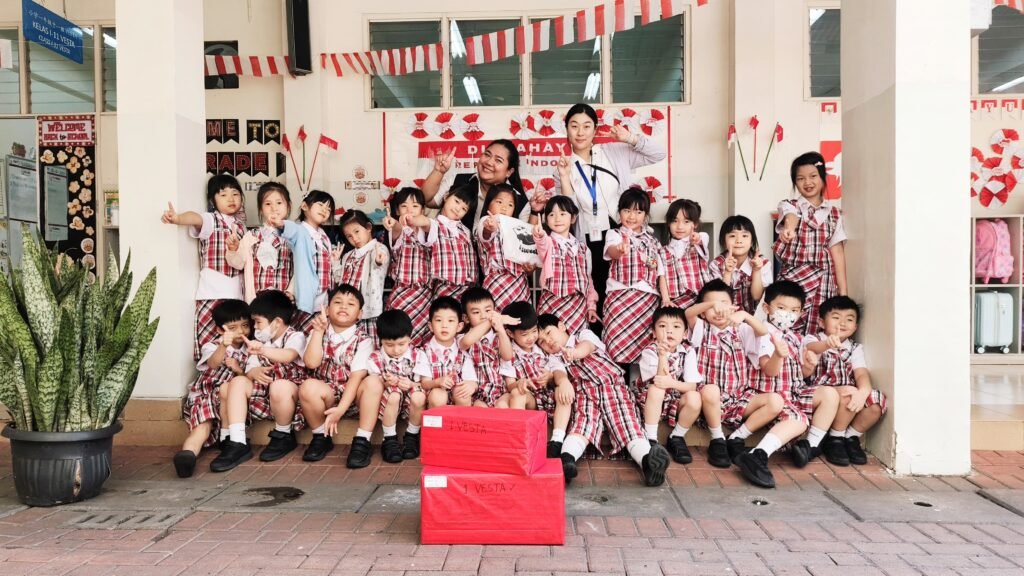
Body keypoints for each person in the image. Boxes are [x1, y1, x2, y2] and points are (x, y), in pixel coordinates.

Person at [553, 103, 667, 318]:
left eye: (587, 126)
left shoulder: (613, 152)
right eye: (574, 126)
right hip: (588, 238)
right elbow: (568, 210)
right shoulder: (562, 166)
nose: (580, 132)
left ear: (595, 129)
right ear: (566, 129)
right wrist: (565, 176)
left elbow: (659, 154)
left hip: (621, 232)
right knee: (595, 292)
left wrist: (630, 138)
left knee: (626, 290)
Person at [537, 314, 671, 487]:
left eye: (549, 333)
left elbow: (587, 347)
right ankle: (567, 461)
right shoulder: (554, 359)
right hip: (585, 394)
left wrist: (574, 353)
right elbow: (559, 373)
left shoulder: (583, 335)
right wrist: (563, 382)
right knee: (583, 425)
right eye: (541, 342)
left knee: (627, 424)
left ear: (561, 326)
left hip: (613, 388)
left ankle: (648, 463)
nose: (548, 341)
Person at [732, 281, 820, 488]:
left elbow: (800, 374)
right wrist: (778, 355)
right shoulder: (763, 334)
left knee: (829, 395)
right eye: (781, 308)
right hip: (768, 393)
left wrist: (809, 367)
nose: (787, 314)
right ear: (766, 308)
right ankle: (758, 455)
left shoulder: (795, 338)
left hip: (791, 393)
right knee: (798, 420)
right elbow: (769, 371)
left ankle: (812, 445)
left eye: (794, 310)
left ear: (801, 313)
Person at [212, 290, 306, 471]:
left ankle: (283, 434)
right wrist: (252, 372)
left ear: (277, 322)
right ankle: (238, 441)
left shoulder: (295, 337)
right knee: (237, 382)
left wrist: (262, 350)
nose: (254, 327)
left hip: (288, 398)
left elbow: (288, 355)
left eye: (258, 322)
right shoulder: (260, 342)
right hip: (264, 396)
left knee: (279, 386)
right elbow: (248, 372)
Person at [684, 280, 770, 469]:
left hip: (737, 399)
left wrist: (744, 315)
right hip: (709, 400)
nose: (719, 310)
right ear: (704, 312)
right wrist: (712, 304)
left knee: (775, 401)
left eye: (724, 304)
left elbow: (763, 331)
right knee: (711, 390)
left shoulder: (742, 329)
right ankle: (718, 439)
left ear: (734, 307)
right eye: (712, 307)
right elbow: (688, 313)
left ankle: (737, 437)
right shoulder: (701, 329)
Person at [161, 174, 246, 360]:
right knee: (211, 337)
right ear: (212, 200)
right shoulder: (211, 219)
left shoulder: (241, 226)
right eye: (223, 195)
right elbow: (195, 218)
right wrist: (178, 218)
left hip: (236, 292)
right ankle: (211, 371)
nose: (231, 199)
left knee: (236, 338)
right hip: (212, 292)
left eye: (235, 194)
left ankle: (232, 368)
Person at [305, 284, 382, 469]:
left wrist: (341, 409)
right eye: (338, 302)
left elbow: (356, 378)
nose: (343, 306)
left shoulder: (364, 340)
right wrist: (318, 332)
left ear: (360, 314)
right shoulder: (317, 331)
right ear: (327, 309)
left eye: (350, 304)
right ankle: (321, 436)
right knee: (308, 386)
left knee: (373, 383)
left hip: (353, 397)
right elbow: (311, 363)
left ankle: (362, 440)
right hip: (327, 396)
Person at [803, 296, 887, 466]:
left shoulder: (855, 348)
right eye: (836, 317)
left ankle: (850, 437)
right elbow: (812, 348)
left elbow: (861, 374)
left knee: (876, 403)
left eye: (849, 319)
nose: (842, 323)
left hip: (847, 396)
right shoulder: (813, 339)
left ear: (855, 327)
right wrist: (827, 344)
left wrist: (863, 392)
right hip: (820, 395)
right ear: (821, 322)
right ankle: (835, 439)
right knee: (849, 392)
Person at [774, 151, 847, 334]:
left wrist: (843, 293)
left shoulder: (834, 214)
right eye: (800, 178)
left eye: (813, 176)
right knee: (785, 326)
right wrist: (789, 229)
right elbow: (791, 217)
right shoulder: (789, 205)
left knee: (818, 330)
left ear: (823, 177)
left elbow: (837, 252)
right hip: (794, 279)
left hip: (824, 279)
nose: (807, 182)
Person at [175, 299, 250, 478]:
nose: (240, 331)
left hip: (229, 399)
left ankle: (226, 439)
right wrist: (223, 345)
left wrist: (238, 369)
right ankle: (187, 455)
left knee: (227, 390)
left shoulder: (249, 348)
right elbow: (212, 363)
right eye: (233, 328)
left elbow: (247, 378)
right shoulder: (213, 346)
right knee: (202, 428)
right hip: (207, 394)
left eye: (245, 325)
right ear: (219, 330)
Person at [498, 301, 574, 458]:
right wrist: (519, 383)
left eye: (534, 331)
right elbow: (510, 384)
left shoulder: (543, 347)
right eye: (524, 334)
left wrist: (552, 377)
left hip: (549, 397)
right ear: (511, 334)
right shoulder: (509, 353)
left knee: (562, 389)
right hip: (531, 399)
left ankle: (556, 440)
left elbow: (558, 368)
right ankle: (519, 441)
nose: (531, 338)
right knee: (517, 393)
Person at [603, 187, 665, 366]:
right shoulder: (614, 234)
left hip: (647, 299)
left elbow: (659, 269)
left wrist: (665, 297)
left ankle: (642, 382)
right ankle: (618, 381)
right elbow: (612, 251)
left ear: (645, 215)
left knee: (646, 349)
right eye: (627, 210)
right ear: (619, 212)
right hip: (619, 296)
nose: (632, 216)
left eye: (638, 212)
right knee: (615, 344)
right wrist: (620, 250)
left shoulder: (653, 240)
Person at [635, 306, 703, 465]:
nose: (669, 331)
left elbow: (691, 386)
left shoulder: (688, 351)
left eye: (676, 326)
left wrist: (672, 383)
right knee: (656, 390)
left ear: (685, 333)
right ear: (653, 332)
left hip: (674, 400)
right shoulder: (650, 351)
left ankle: (677, 436)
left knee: (694, 397)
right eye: (662, 326)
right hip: (651, 401)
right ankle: (651, 438)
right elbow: (659, 381)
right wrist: (662, 355)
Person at [366, 309, 429, 462]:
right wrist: (385, 382)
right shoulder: (375, 358)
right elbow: (373, 386)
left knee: (419, 395)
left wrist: (412, 383)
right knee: (393, 395)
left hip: (411, 402)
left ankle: (412, 435)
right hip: (388, 402)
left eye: (401, 344)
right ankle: (389, 439)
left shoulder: (418, 355)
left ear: (410, 338)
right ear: (380, 340)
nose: (396, 350)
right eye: (389, 345)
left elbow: (424, 382)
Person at [422, 139, 529, 228]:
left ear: (509, 172)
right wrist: (439, 172)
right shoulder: (458, 180)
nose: (489, 162)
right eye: (487, 154)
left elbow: (519, 241)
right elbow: (426, 200)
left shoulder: (521, 203)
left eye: (498, 160)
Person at [533, 196, 599, 337]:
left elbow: (588, 280)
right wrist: (539, 235)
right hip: (553, 303)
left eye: (563, 214)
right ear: (546, 220)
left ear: (573, 218)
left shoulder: (583, 248)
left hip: (578, 306)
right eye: (552, 215)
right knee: (552, 340)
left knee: (576, 340)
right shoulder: (548, 242)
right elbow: (541, 244)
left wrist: (591, 306)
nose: (557, 219)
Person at [279, 190, 336, 333]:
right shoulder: (301, 230)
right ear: (304, 206)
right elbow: (292, 230)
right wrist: (281, 224)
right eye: (321, 205)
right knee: (304, 336)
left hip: (323, 298)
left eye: (329, 208)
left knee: (319, 336)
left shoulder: (324, 236)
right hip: (306, 297)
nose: (325, 210)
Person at [226, 182, 293, 303]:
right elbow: (238, 264)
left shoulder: (293, 236)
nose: (274, 208)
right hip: (257, 301)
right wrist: (232, 249)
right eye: (268, 204)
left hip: (284, 301)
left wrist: (291, 292)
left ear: (288, 206)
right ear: (261, 209)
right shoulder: (252, 236)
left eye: (279, 203)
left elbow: (301, 269)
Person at [383, 187, 433, 344]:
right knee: (398, 334)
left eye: (415, 206)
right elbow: (396, 228)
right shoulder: (398, 231)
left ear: (423, 210)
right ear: (397, 210)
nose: (409, 210)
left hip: (425, 294)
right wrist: (394, 223)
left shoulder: (430, 231)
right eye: (404, 206)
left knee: (422, 336)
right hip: (401, 293)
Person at [332, 210, 389, 343]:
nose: (354, 238)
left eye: (357, 231)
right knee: (348, 345)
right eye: (349, 236)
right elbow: (340, 280)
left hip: (367, 312)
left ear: (368, 227)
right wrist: (335, 263)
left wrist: (378, 261)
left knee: (369, 345)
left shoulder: (378, 249)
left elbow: (378, 263)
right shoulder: (348, 256)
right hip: (348, 311)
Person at [476, 184, 534, 312]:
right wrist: (490, 228)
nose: (504, 207)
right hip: (497, 282)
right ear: (488, 204)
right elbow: (485, 234)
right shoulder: (486, 221)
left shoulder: (516, 228)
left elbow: (527, 252)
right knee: (497, 319)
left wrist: (529, 269)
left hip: (520, 283)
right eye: (499, 202)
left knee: (521, 320)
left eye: (510, 205)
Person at [417, 297, 480, 408]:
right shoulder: (425, 351)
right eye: (439, 320)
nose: (444, 325)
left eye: (450, 321)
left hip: (456, 395)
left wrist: (472, 385)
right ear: (431, 326)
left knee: (463, 394)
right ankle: (436, 420)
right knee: (438, 395)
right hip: (434, 396)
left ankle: (460, 420)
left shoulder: (463, 351)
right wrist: (437, 382)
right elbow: (425, 383)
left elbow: (471, 380)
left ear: (459, 326)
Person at [710, 215, 772, 315]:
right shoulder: (717, 264)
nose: (739, 240)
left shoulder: (763, 263)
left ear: (752, 241)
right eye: (732, 236)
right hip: (725, 317)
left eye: (744, 236)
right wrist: (727, 272)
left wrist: (756, 270)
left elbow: (757, 296)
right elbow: (719, 299)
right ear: (723, 241)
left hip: (754, 318)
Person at [458, 287, 508, 409]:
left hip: (500, 390)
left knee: (502, 407)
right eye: (476, 312)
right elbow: (467, 342)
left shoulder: (498, 336)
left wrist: (501, 330)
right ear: (466, 318)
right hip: (478, 392)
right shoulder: (462, 337)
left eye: (488, 311)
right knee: (479, 409)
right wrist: (491, 320)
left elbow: (507, 356)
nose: (483, 316)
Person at [426, 186, 478, 301]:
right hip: (443, 284)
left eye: (464, 208)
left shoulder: (466, 231)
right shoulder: (433, 225)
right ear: (446, 197)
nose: (458, 209)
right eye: (456, 201)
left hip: (467, 288)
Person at [661, 199, 711, 310]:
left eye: (686, 221)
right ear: (668, 223)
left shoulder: (699, 241)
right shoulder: (662, 251)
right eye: (675, 221)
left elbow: (703, 237)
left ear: (695, 224)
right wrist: (666, 299)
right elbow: (662, 276)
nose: (680, 226)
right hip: (677, 303)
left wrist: (696, 239)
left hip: (701, 299)